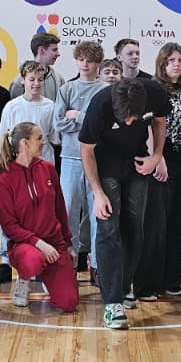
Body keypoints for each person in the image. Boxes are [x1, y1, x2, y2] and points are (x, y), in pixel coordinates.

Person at [79, 78, 169, 330]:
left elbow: (160, 121)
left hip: (137, 162)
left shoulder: (155, 92)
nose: (129, 123)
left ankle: (124, 284)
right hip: (105, 166)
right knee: (108, 228)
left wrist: (157, 155)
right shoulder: (100, 105)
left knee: (135, 228)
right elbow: (86, 150)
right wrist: (98, 193)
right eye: (125, 118)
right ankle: (112, 303)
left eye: (134, 118)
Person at [0, 122, 79, 312]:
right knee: (33, 261)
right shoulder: (5, 179)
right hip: (25, 246)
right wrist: (39, 244)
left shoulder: (48, 168)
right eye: (39, 138)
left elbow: (60, 209)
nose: (43, 142)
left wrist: (68, 243)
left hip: (54, 244)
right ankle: (24, 279)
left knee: (69, 302)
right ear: (25, 143)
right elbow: (9, 227)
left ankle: (50, 277)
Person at [136, 42, 181, 300]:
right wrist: (157, 157)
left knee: (176, 222)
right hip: (162, 159)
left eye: (180, 61)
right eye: (171, 60)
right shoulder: (154, 89)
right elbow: (149, 125)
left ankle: (171, 279)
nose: (176, 65)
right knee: (156, 224)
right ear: (162, 63)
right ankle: (147, 284)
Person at [54, 41, 107, 272]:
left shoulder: (105, 90)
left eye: (90, 60)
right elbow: (58, 123)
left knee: (98, 214)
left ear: (98, 63)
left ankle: (97, 265)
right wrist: (88, 121)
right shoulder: (66, 89)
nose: (85, 64)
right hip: (70, 158)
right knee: (68, 212)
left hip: (98, 159)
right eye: (81, 59)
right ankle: (69, 262)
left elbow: (104, 125)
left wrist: (77, 115)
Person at [0, 61, 58, 164]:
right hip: (17, 161)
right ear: (22, 80)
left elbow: (54, 138)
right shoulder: (11, 107)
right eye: (32, 79)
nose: (36, 83)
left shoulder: (50, 106)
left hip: (43, 161)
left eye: (40, 79)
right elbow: (4, 138)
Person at [8, 32, 62, 101]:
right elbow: (13, 106)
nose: (58, 54)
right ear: (41, 50)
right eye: (54, 50)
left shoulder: (59, 78)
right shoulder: (18, 82)